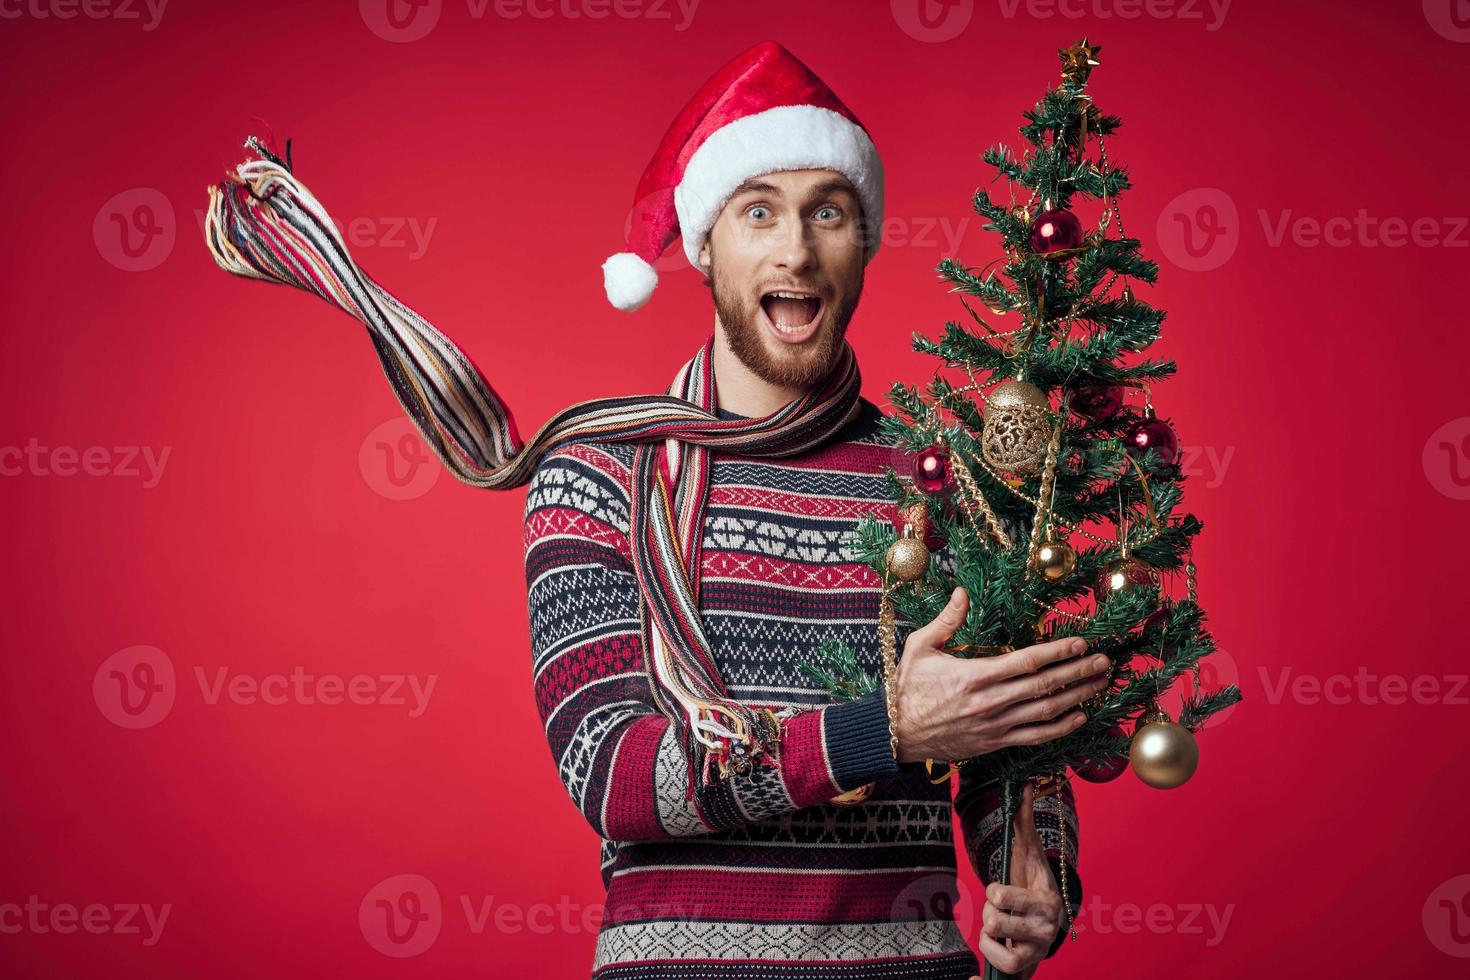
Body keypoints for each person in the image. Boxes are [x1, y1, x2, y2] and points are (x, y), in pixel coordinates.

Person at [525, 40, 1109, 980]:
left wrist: (1037, 882)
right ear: (706, 241)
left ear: (864, 241)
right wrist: (885, 732)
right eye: (759, 212)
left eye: (826, 213)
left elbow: (1000, 733)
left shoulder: (936, 479)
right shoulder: (596, 472)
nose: (796, 250)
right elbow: (615, 773)